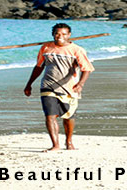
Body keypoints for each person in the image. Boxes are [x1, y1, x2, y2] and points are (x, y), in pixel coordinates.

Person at [24, 23, 94, 152]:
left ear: (69, 35)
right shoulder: (46, 48)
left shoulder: (77, 50)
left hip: (69, 87)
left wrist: (80, 84)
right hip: (48, 85)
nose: (59, 37)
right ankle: (55, 145)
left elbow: (87, 69)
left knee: (69, 116)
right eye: (57, 34)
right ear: (53, 34)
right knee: (50, 115)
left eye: (63, 34)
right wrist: (29, 84)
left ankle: (69, 141)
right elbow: (39, 67)